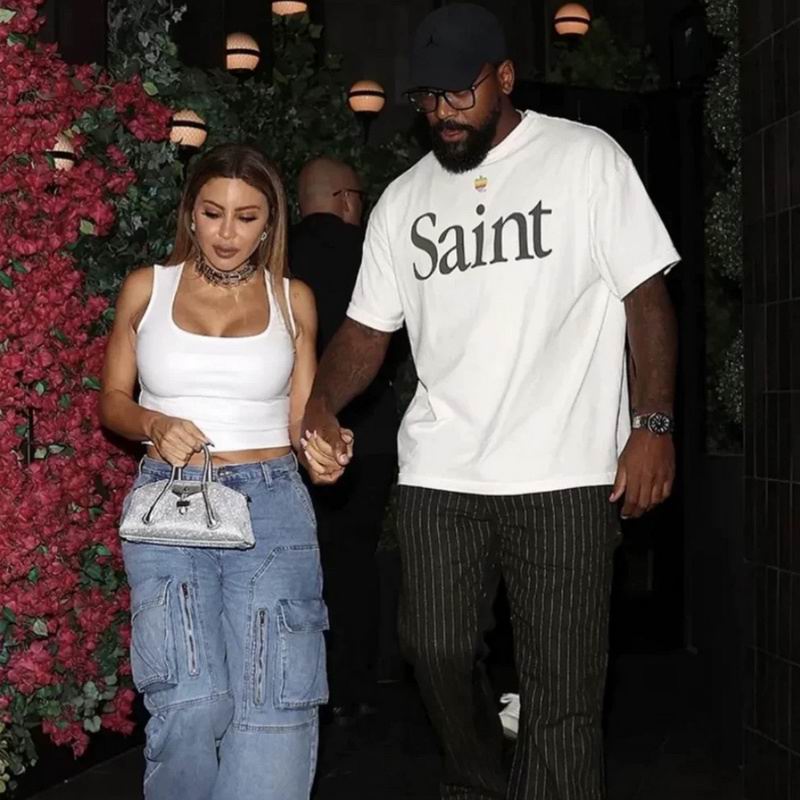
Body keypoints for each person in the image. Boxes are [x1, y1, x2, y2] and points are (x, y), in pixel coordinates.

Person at [301, 4, 679, 799]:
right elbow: (365, 333)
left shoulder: (585, 159)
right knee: (432, 650)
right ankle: (477, 781)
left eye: (458, 92)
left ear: (504, 77)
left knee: (563, 697)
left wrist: (652, 425)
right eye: (427, 98)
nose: (442, 112)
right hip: (442, 474)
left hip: (567, 472)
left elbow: (646, 298)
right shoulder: (403, 201)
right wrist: (320, 404)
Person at [99, 144, 350, 800]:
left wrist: (325, 449)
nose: (228, 233)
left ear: (270, 223)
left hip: (272, 504)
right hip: (170, 500)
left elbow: (302, 420)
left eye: (246, 216)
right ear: (191, 213)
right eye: (213, 213)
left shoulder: (292, 299)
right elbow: (112, 402)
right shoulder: (147, 288)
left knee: (275, 706)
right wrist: (154, 423)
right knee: (191, 700)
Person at [290, 157, 399, 721]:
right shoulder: (373, 253)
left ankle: (304, 683)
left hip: (293, 434)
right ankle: (355, 685)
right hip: (369, 434)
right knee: (355, 560)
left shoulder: (276, 258)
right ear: (348, 199)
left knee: (301, 558)